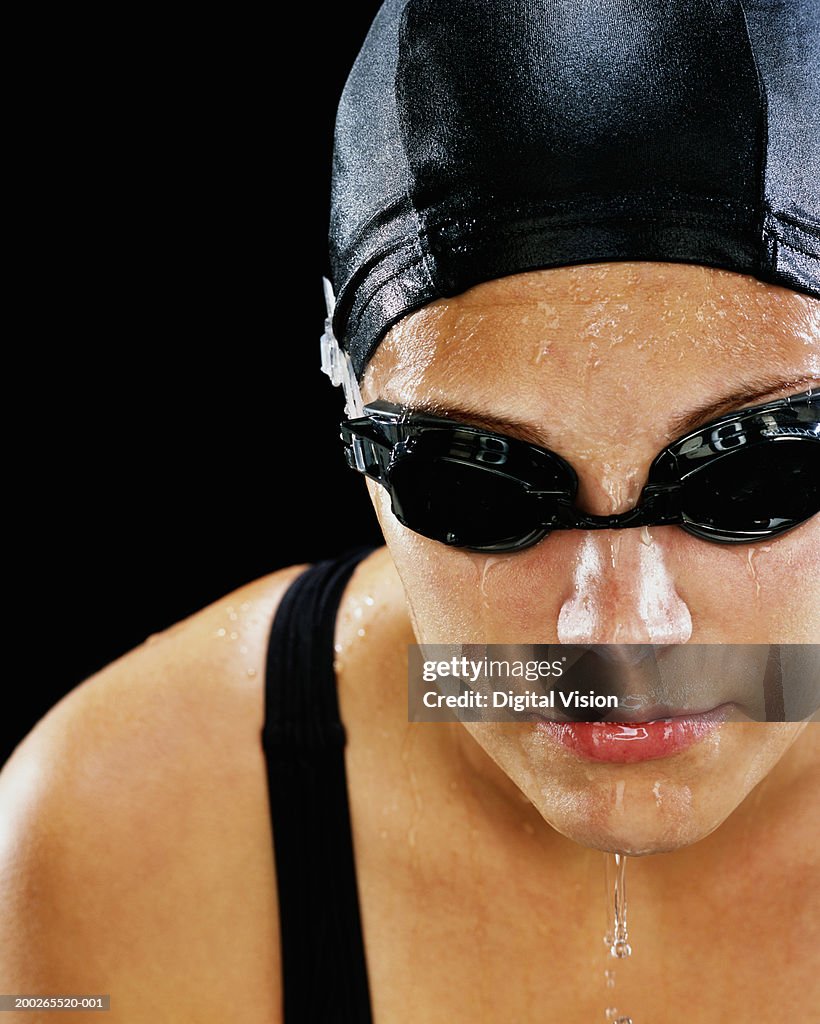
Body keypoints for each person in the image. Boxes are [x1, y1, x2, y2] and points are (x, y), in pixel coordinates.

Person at [1, 2, 818, 1022]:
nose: (618, 632)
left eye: (756, 472)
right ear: (356, 437)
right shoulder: (127, 827)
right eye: (477, 482)